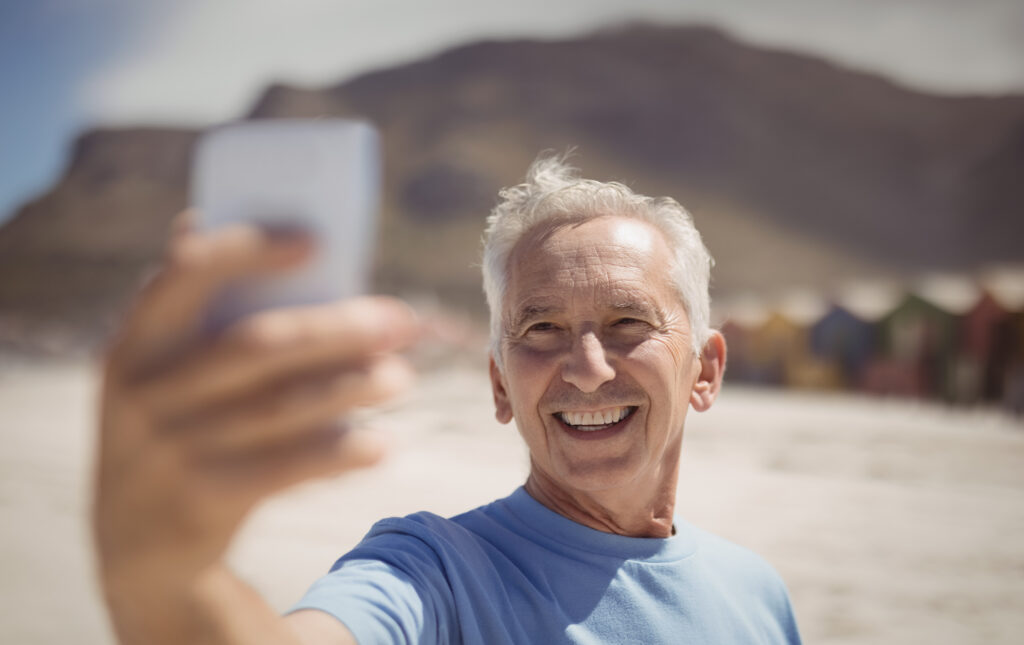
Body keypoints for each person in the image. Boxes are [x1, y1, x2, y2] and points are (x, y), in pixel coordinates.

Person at [93, 155, 802, 644]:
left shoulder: (757, 594)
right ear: (500, 383)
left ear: (705, 369)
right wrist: (164, 572)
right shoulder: (433, 569)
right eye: (542, 327)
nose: (586, 368)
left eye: (627, 323)